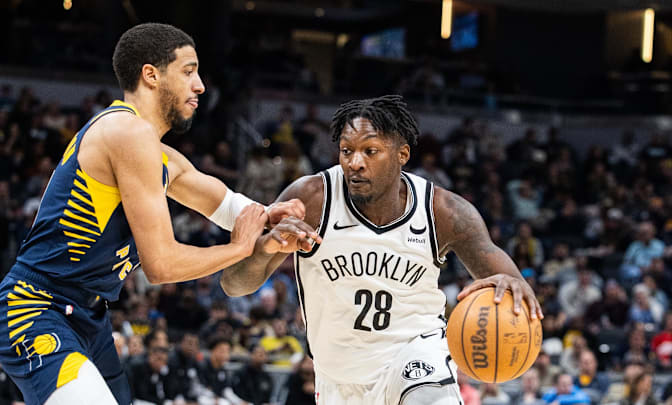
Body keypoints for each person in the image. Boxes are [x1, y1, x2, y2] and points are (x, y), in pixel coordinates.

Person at [0, 23, 311, 405]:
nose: (200, 86)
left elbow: (230, 206)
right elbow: (160, 264)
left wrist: (275, 216)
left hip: (88, 315)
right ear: (151, 75)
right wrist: (240, 248)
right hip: (35, 306)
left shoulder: (160, 155)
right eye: (188, 71)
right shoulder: (126, 133)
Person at [221, 95, 542, 404]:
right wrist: (267, 247)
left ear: (402, 154)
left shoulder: (444, 211)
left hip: (416, 354)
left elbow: (514, 286)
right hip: (338, 378)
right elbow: (234, 285)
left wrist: (513, 284)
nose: (355, 163)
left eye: (370, 151)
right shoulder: (311, 199)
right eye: (347, 151)